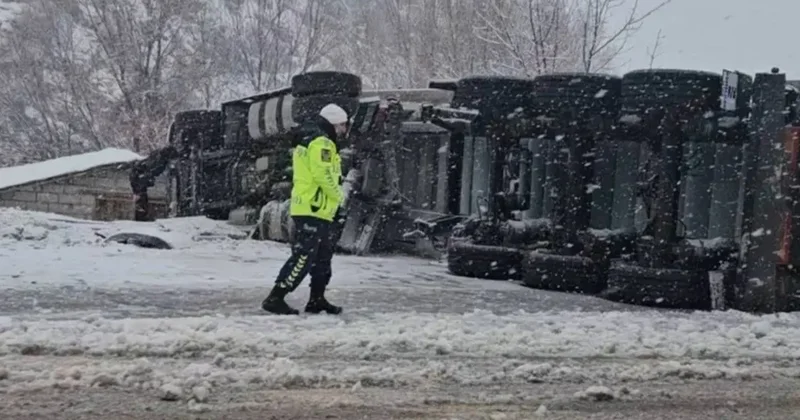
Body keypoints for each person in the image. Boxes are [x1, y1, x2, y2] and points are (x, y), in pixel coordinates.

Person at [261, 103, 348, 315]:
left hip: (317, 210)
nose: (345, 130)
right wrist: (339, 198)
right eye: (344, 125)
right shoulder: (322, 143)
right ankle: (276, 296)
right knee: (304, 256)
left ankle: (317, 299)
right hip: (314, 209)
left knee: (322, 257)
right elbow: (324, 176)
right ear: (335, 123)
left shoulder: (312, 141)